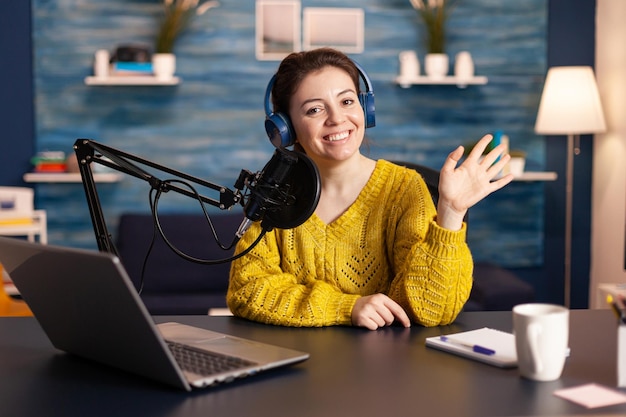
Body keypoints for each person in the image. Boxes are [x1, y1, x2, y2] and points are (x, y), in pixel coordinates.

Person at [227, 47, 513, 330]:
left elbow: (430, 311)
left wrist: (451, 213)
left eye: (347, 102)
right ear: (286, 127)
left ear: (366, 108)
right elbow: (246, 292)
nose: (337, 119)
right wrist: (346, 307)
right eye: (314, 109)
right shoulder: (273, 194)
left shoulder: (405, 189)